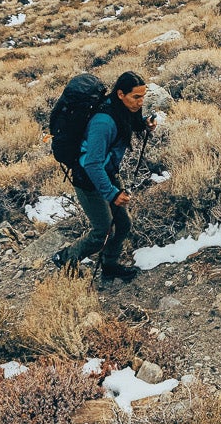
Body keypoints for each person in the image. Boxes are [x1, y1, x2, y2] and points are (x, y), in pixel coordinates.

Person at [55, 70, 151, 280]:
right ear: (120, 94)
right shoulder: (103, 123)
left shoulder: (122, 109)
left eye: (143, 96)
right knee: (102, 231)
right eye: (136, 97)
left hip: (106, 173)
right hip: (89, 180)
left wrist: (144, 124)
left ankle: (110, 266)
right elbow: (92, 163)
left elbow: (130, 122)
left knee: (123, 224)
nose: (140, 102)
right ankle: (65, 258)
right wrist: (112, 194)